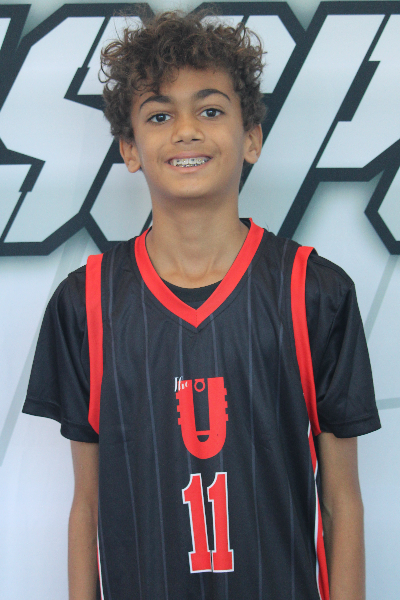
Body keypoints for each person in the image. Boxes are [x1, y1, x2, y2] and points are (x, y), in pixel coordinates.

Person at [23, 10, 380, 600]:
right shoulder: (84, 303)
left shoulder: (315, 291)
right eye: (159, 115)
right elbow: (86, 503)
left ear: (252, 138)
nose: (186, 131)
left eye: (210, 110)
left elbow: (343, 500)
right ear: (130, 148)